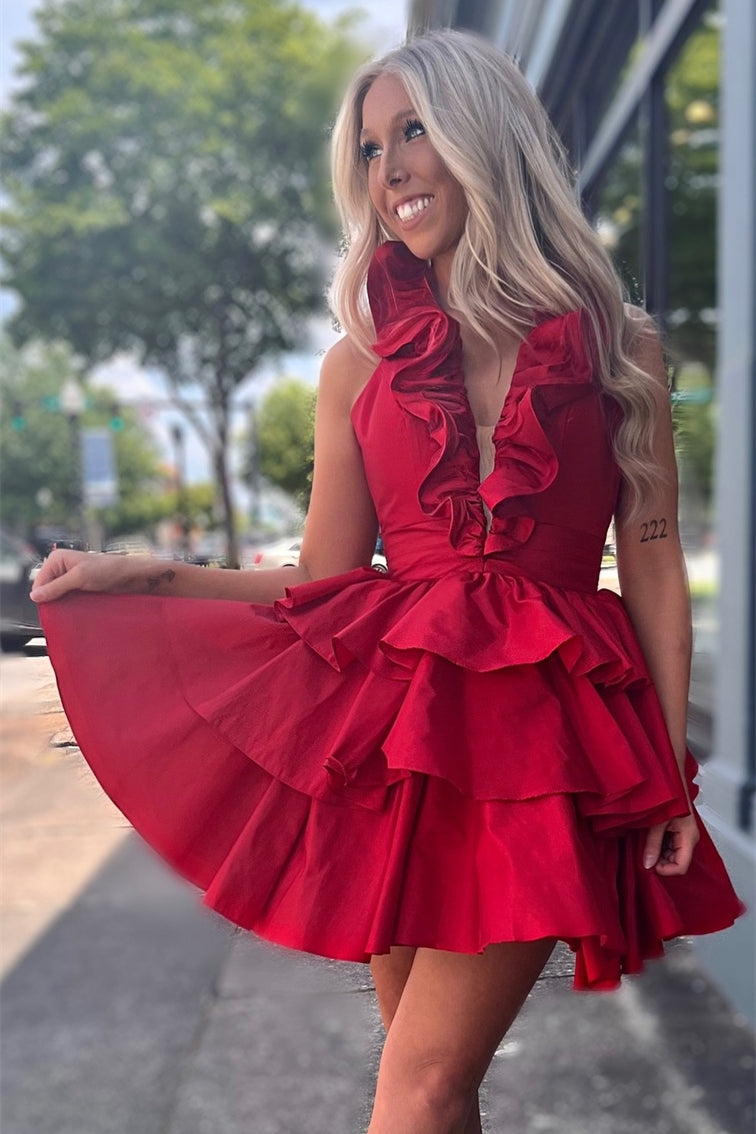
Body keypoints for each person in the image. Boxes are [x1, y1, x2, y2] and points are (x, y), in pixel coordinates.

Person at [32, 28, 743, 1134]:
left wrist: (664, 771)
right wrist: (146, 573)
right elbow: (323, 576)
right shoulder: (359, 360)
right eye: (370, 149)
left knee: (415, 1088)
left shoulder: (619, 347)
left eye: (415, 131)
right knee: (432, 1084)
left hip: (540, 750)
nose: (392, 168)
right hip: (393, 744)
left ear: (486, 139)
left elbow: (651, 565)